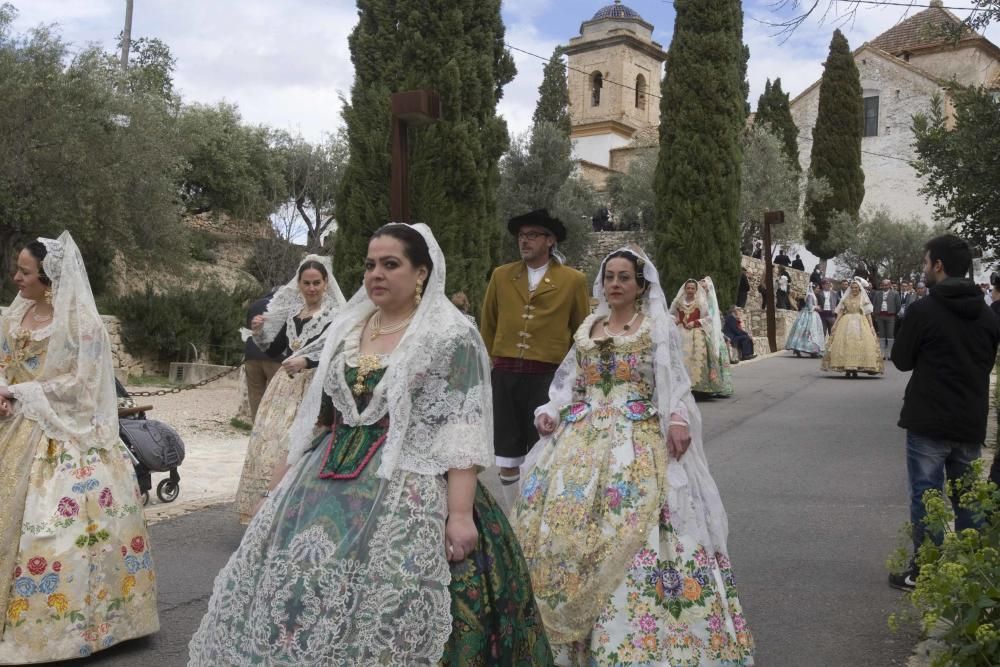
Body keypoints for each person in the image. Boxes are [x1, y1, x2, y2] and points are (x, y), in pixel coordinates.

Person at [189, 223, 553, 665]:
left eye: (390, 264)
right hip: (326, 475)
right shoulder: (348, 328)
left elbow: (460, 429)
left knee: (394, 596)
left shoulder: (448, 336)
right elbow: (322, 416)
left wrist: (459, 515)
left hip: (412, 477)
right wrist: (283, 473)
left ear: (421, 272)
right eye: (369, 265)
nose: (376, 274)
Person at [512, 247, 755, 665]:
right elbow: (570, 382)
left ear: (641, 285)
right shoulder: (590, 327)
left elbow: (674, 382)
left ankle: (641, 641)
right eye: (609, 277)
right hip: (580, 440)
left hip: (636, 438)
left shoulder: (656, 328)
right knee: (560, 526)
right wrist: (551, 410)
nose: (615, 284)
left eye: (625, 277)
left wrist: (678, 418)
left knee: (638, 526)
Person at [0, 233, 159, 662]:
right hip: (11, 423)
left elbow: (84, 387)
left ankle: (77, 626)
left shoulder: (82, 326)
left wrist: (22, 393)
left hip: (63, 436)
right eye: (17, 269)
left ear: (49, 278)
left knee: (64, 527)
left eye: (25, 272)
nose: (16, 277)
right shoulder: (15, 317)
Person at [888, 235, 1000, 591]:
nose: (923, 269)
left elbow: (902, 360)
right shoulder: (987, 314)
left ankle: (926, 572)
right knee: (967, 497)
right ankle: (971, 574)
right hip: (970, 419)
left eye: (925, 263)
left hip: (928, 419)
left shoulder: (923, 309)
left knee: (927, 497)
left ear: (938, 265)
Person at [480, 209, 590, 509]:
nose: (524, 241)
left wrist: (573, 378)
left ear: (550, 240)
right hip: (505, 374)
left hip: (547, 377)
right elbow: (488, 322)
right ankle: (514, 515)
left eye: (531, 235)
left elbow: (581, 331)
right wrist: (492, 360)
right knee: (506, 451)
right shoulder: (502, 275)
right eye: (521, 236)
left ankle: (538, 514)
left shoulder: (573, 280)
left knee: (544, 448)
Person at [234, 255, 345, 524]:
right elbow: (275, 350)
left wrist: (307, 360)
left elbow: (337, 352)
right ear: (299, 284)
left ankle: (291, 513)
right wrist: (259, 333)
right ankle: (261, 510)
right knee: (266, 442)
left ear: (326, 283)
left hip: (314, 388)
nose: (311, 288)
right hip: (283, 387)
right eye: (306, 283)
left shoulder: (335, 318)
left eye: (316, 283)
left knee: (294, 446)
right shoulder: (294, 316)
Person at [670, 279, 729, 396]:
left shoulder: (701, 302)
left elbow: (708, 318)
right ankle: (680, 386)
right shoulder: (678, 301)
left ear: (696, 290)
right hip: (681, 333)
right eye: (688, 288)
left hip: (696, 333)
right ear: (685, 289)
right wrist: (676, 321)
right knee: (679, 358)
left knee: (698, 357)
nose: (690, 290)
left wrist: (695, 322)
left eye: (692, 288)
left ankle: (699, 388)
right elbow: (671, 314)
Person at [821, 279, 884, 378]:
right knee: (845, 343)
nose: (854, 289)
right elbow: (841, 312)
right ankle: (847, 368)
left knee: (860, 344)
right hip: (846, 321)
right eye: (852, 288)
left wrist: (871, 326)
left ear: (859, 288)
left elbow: (868, 313)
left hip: (860, 322)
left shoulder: (863, 298)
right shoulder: (845, 298)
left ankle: (856, 368)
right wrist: (835, 324)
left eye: (856, 288)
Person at [243, 289, 282, 421]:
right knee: (275, 396)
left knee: (255, 395)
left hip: (251, 355)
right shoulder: (283, 304)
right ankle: (271, 426)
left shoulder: (254, 305)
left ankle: (256, 427)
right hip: (275, 357)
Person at [700, 276, 734, 396]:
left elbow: (712, 319)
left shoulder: (711, 303)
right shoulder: (699, 300)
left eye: (705, 287)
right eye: (701, 287)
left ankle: (719, 386)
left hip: (712, 332)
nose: (703, 289)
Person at [785, 285, 826, 358]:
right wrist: (817, 307)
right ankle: (812, 351)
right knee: (809, 332)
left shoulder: (812, 295)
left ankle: (811, 351)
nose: (818, 289)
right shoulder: (810, 295)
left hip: (810, 314)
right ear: (813, 288)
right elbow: (810, 307)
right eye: (817, 288)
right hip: (809, 315)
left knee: (807, 333)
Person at [872, 278, 901, 360]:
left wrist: (893, 313)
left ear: (889, 285)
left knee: (890, 334)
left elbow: (898, 306)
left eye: (886, 285)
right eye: (883, 285)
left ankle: (890, 353)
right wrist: (875, 314)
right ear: (881, 285)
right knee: (881, 334)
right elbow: (874, 304)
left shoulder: (895, 294)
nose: (884, 286)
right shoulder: (877, 293)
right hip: (880, 316)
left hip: (891, 316)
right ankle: (882, 353)